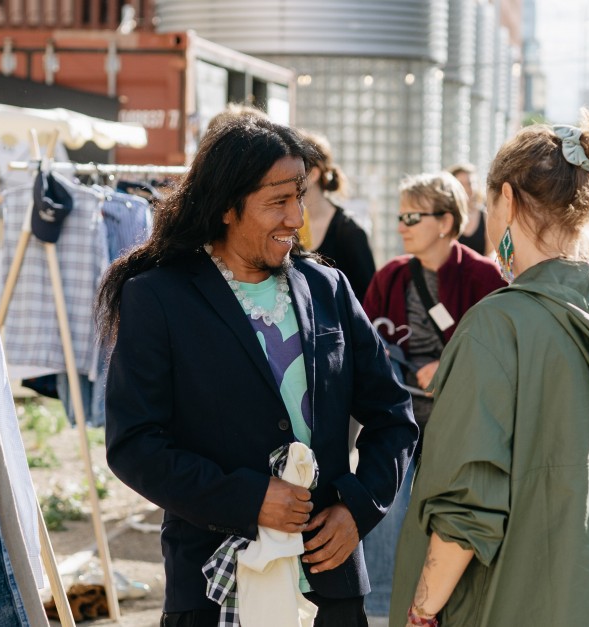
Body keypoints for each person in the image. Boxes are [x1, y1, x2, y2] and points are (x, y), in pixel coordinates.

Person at [96, 115, 418, 626]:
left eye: (299, 196)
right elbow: (135, 445)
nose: (296, 216)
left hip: (328, 589)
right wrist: (248, 499)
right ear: (227, 206)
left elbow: (394, 417)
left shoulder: (328, 289)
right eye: (278, 201)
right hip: (212, 585)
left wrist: (357, 508)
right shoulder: (159, 297)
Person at [390, 112, 589, 627]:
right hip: (587, 602)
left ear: (507, 199)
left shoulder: (497, 325)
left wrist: (421, 609)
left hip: (501, 604)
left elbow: (466, 506)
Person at [359, 172, 503, 618]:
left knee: (448, 518)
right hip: (399, 418)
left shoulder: (483, 277)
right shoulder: (390, 276)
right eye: (401, 215)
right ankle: (382, 607)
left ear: (444, 221)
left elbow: (502, 352)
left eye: (412, 216)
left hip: (458, 424)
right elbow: (363, 344)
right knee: (385, 506)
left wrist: (453, 365)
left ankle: (441, 603)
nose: (401, 225)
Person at [298, 130, 376, 304]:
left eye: (296, 166)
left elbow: (369, 298)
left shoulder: (350, 232)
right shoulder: (288, 226)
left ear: (314, 174)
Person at [446, 163, 493, 256]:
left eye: (470, 183)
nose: (467, 188)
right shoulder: (445, 217)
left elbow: (489, 254)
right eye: (461, 184)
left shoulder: (486, 217)